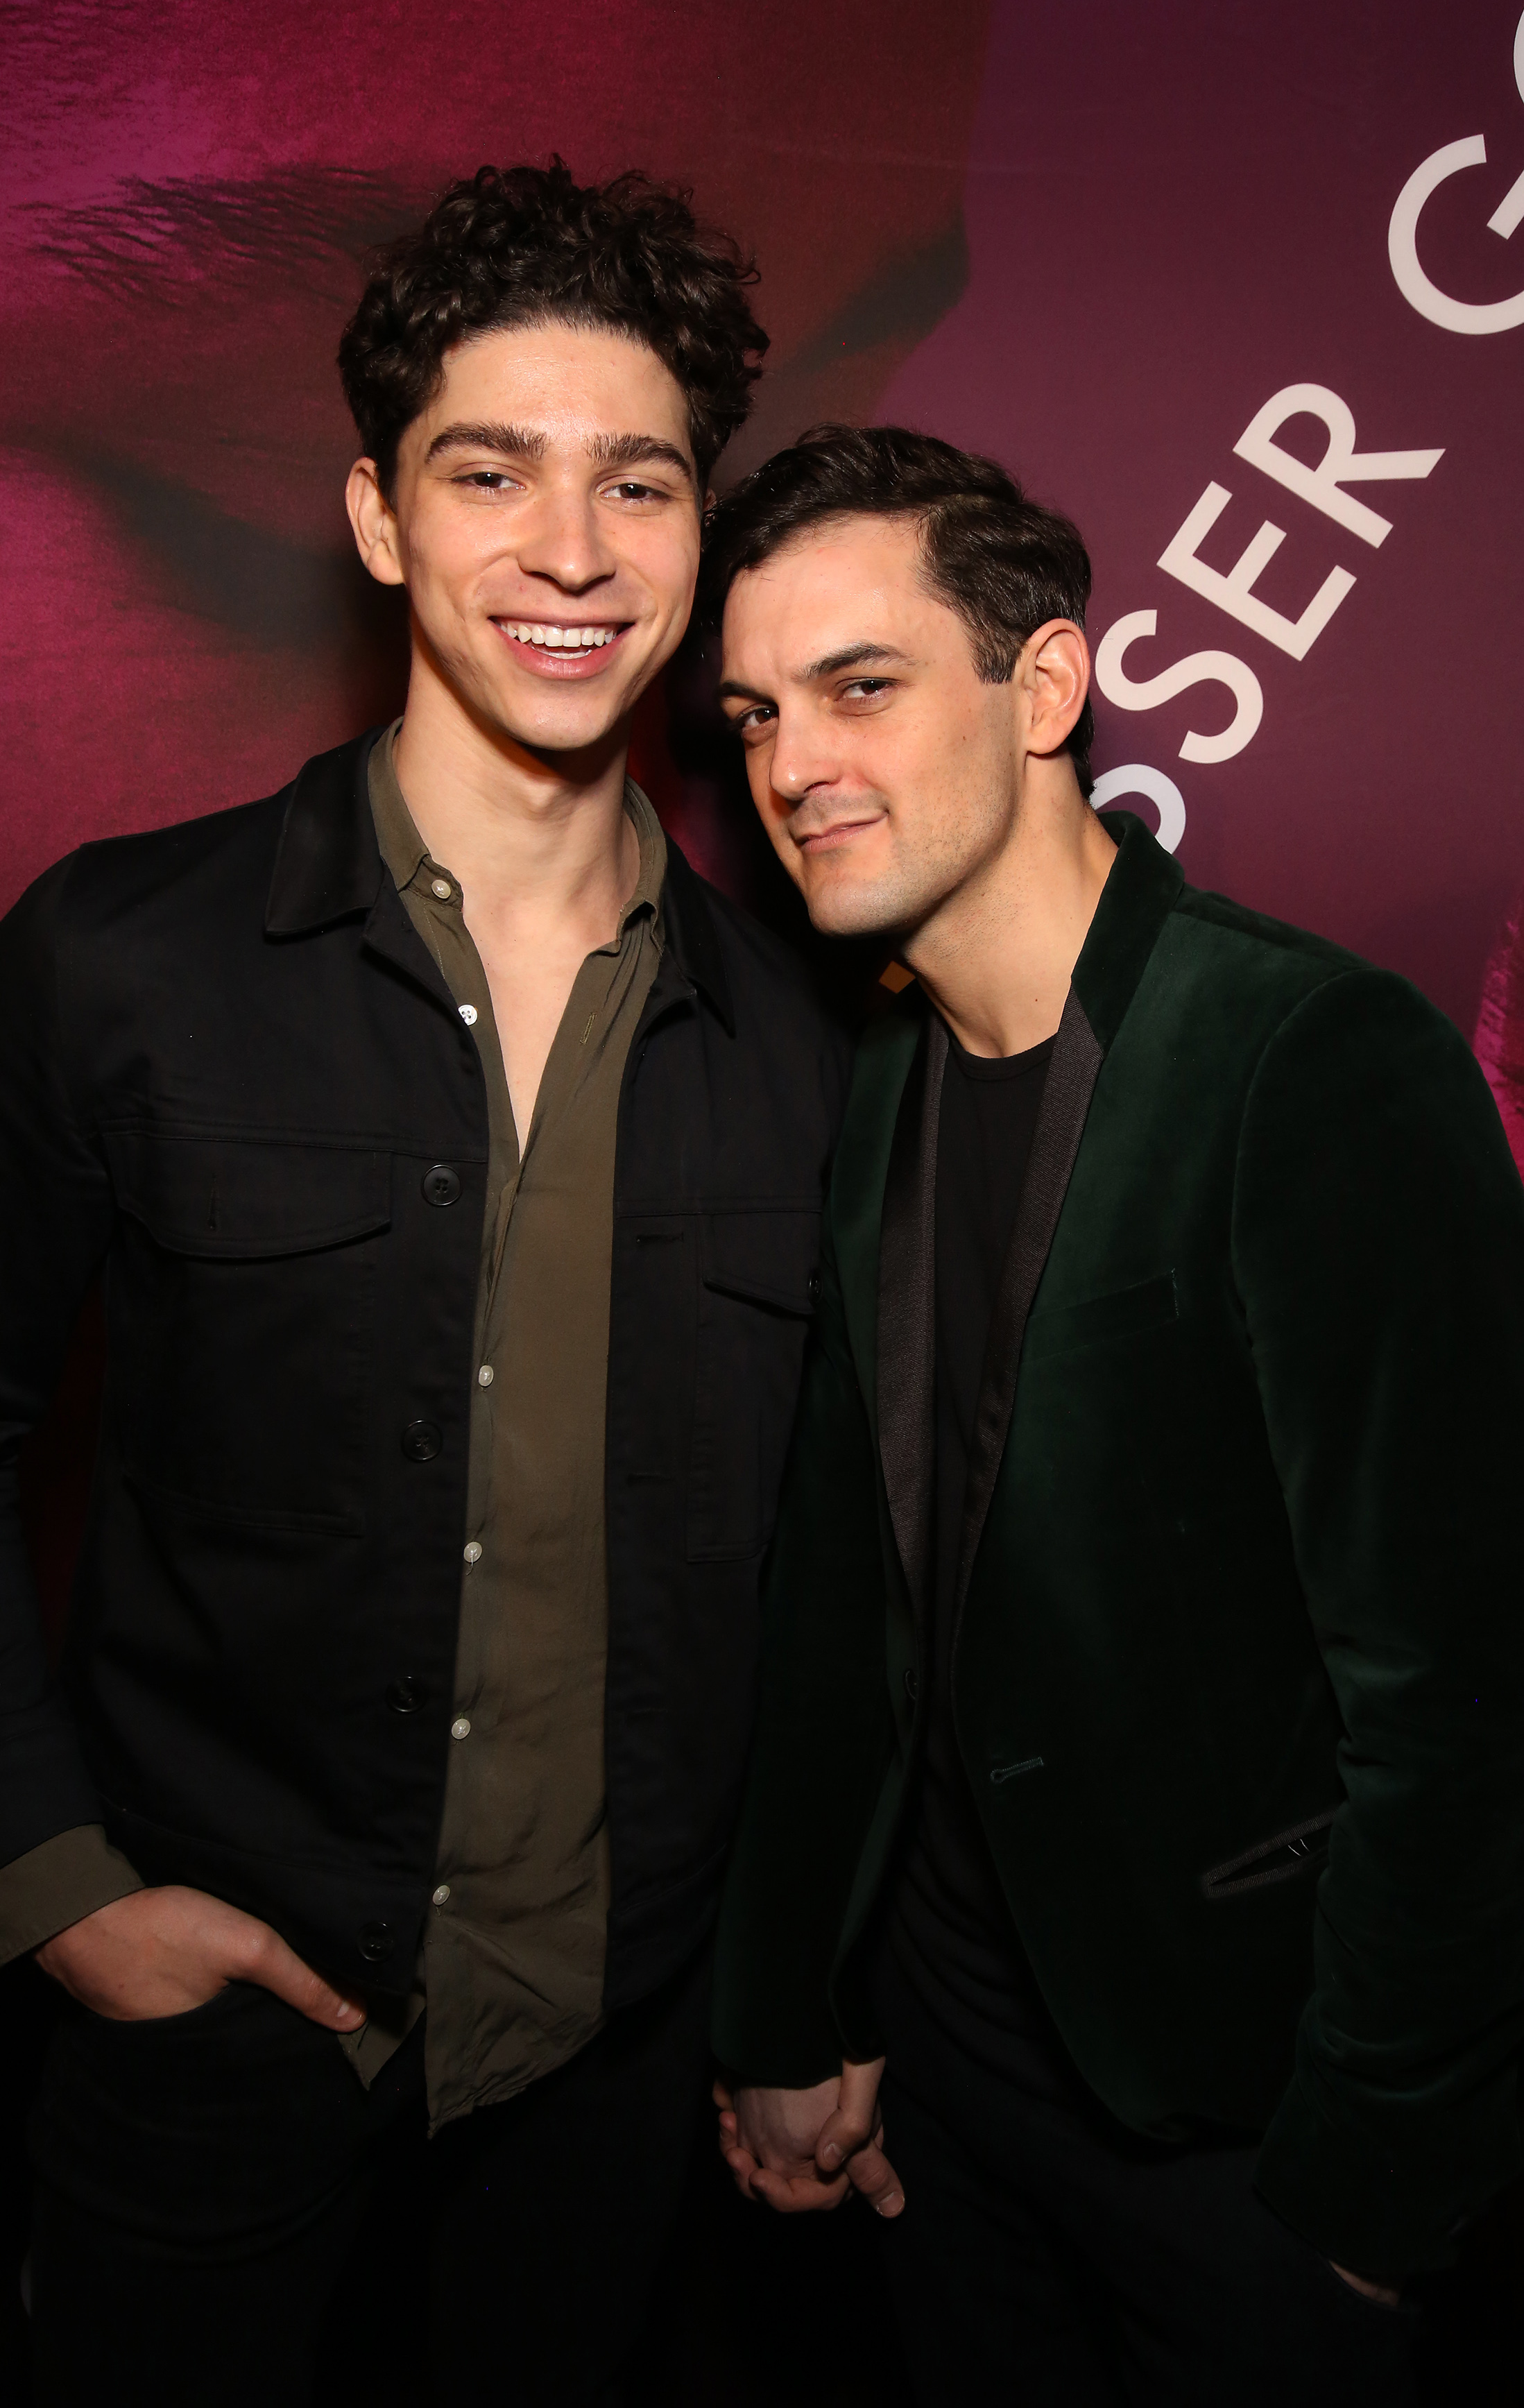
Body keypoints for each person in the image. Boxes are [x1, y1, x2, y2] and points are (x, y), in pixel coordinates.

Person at [0, 166, 850, 2405]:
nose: (572, 550)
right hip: (216, 2029)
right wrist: (55, 1883)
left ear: (698, 534)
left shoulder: (809, 1046)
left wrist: (783, 1997)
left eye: (638, 482)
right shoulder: (124, 957)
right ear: (379, 518)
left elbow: (857, 1583)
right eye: (495, 471)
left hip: (619, 2075)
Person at [701, 424, 1524, 2406]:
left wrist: (1368, 2188)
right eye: (753, 713)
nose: (795, 761)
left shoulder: (1311, 1059)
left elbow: (1468, 1696)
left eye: (863, 686)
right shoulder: (882, 1083)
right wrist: (794, 2004)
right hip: (956, 2101)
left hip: (1243, 2130)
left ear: (1048, 685)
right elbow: (849, 1599)